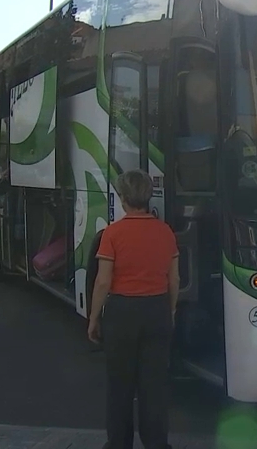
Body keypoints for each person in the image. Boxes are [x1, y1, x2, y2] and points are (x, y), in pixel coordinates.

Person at [87, 169, 179, 449]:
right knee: (154, 388)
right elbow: (174, 278)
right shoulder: (165, 232)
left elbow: (103, 281)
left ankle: (118, 444)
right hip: (157, 310)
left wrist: (93, 318)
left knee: (120, 388)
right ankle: (157, 444)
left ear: (123, 198)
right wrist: (170, 310)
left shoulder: (113, 234)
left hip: (122, 313)